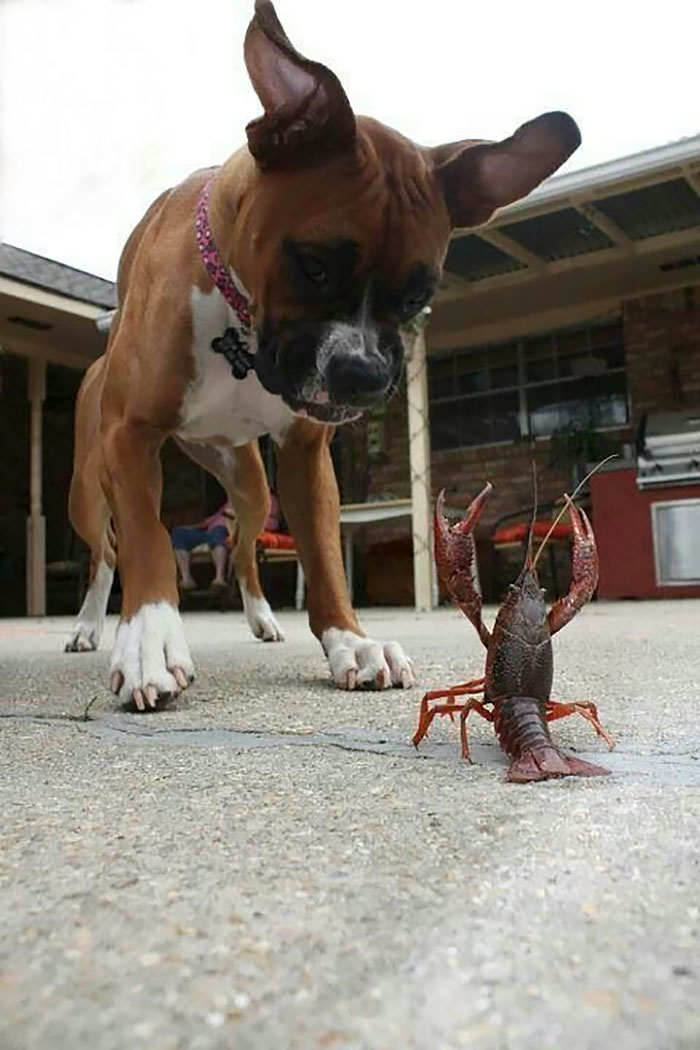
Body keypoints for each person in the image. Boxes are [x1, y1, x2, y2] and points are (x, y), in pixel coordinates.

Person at [171, 502, 234, 591]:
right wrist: (186, 528)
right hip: (207, 533)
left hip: (223, 534)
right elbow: (206, 523)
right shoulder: (228, 504)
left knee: (219, 530)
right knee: (178, 533)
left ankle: (219, 578)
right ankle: (186, 579)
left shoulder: (244, 504)